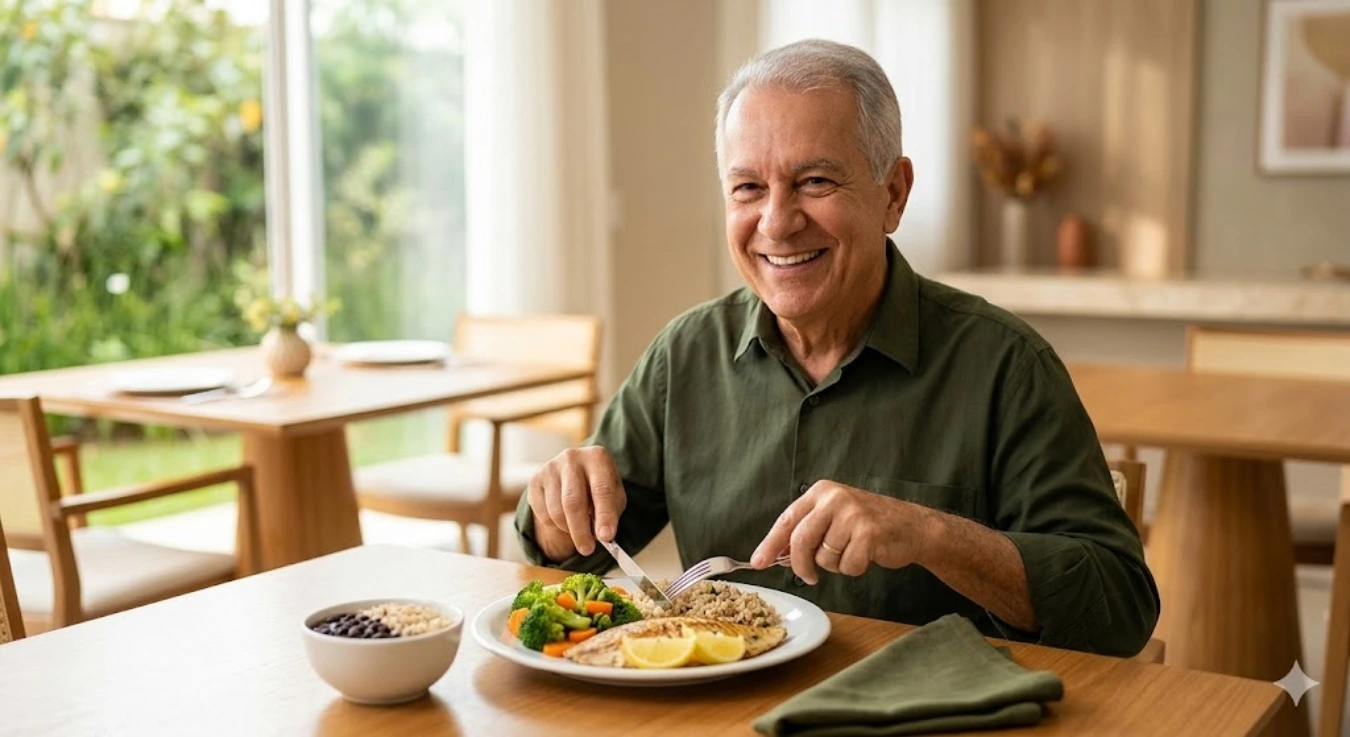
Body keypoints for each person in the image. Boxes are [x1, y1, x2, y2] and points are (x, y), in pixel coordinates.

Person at [515, 38, 1159, 656]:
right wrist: (555, 506)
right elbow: (581, 552)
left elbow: (1120, 607)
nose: (776, 222)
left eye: (816, 181)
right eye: (748, 188)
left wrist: (930, 533)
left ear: (893, 195)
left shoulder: (1008, 367)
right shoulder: (683, 355)